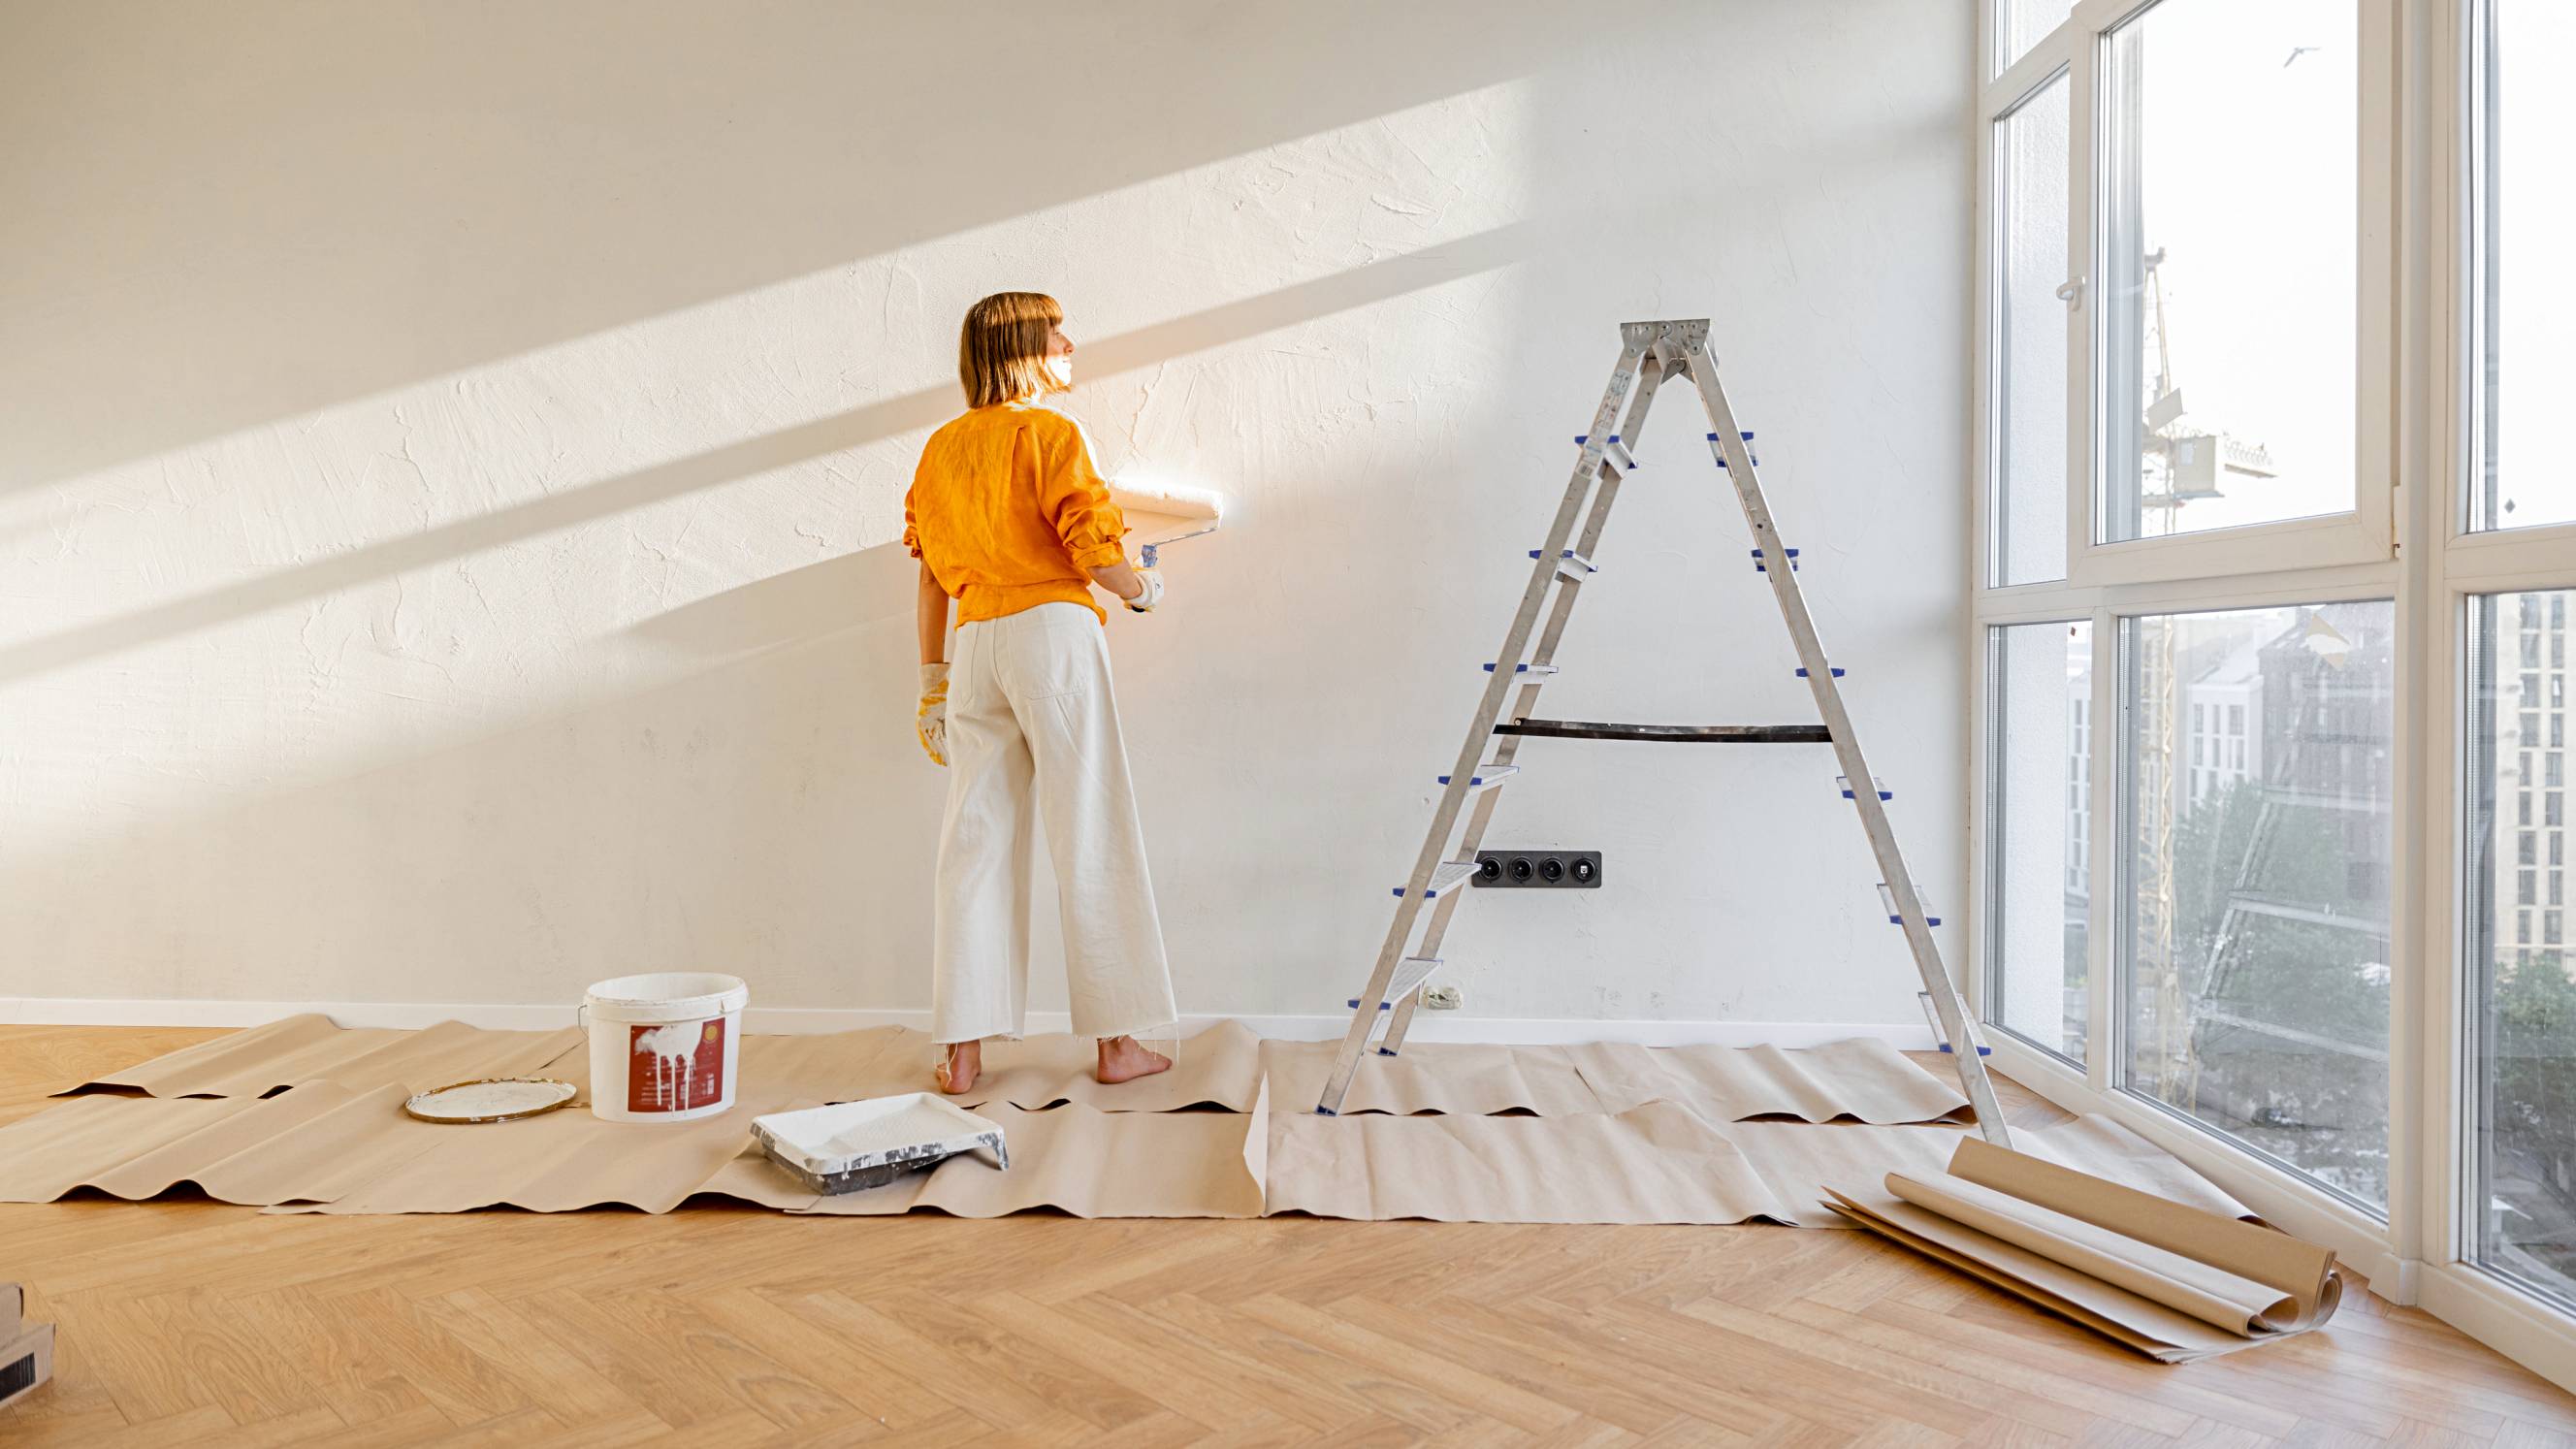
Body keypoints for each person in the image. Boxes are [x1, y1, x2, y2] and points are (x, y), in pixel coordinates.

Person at [905, 291, 1178, 1095]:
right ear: (1025, 345)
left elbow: (929, 576)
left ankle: (961, 1050)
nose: (1071, 342)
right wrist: (1140, 590)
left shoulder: (940, 449)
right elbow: (1090, 545)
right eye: (1058, 331)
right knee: (1089, 825)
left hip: (974, 644)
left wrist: (931, 680)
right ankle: (1120, 1043)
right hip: (1051, 633)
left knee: (974, 840)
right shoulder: (1050, 433)